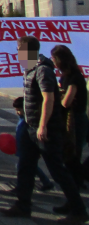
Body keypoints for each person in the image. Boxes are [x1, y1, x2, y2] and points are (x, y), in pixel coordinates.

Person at [1, 35, 88, 223]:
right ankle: (23, 205)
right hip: (30, 125)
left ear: (27, 52)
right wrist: (23, 107)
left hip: (45, 128)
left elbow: (49, 98)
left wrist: (42, 126)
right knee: (26, 166)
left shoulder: (43, 70)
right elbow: (35, 97)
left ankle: (78, 209)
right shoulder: (30, 70)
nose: (16, 53)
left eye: (18, 50)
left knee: (57, 169)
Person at [51, 45, 88, 188]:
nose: (52, 61)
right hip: (69, 118)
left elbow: (66, 102)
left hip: (76, 119)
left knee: (72, 153)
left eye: (53, 58)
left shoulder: (74, 76)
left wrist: (58, 97)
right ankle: (77, 181)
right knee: (69, 153)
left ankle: (77, 182)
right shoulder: (66, 75)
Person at [8, 97, 53, 194]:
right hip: (21, 146)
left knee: (24, 167)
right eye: (16, 110)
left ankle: (22, 187)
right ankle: (45, 182)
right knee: (32, 166)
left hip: (26, 147)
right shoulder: (21, 119)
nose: (17, 112)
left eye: (19, 110)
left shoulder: (28, 122)